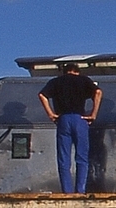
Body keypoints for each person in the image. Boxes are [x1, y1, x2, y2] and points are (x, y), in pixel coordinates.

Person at [38, 64, 102, 193]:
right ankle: (80, 190)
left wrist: (51, 114)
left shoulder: (55, 81)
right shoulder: (84, 80)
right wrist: (93, 114)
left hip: (63, 119)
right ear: (77, 72)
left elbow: (42, 95)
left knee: (64, 158)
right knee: (82, 157)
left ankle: (67, 191)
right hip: (80, 119)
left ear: (64, 71)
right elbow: (98, 92)